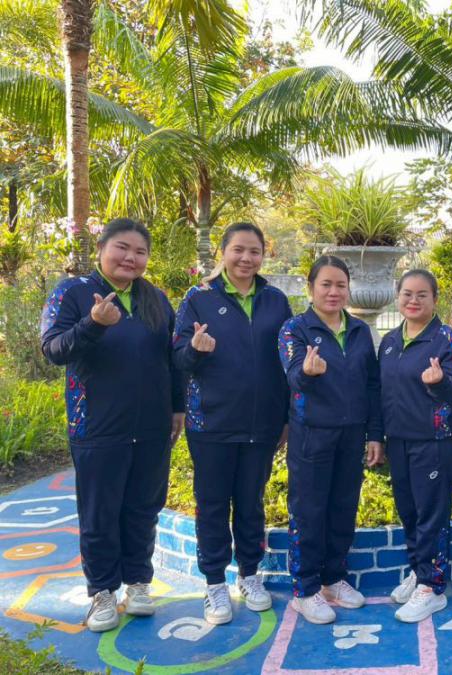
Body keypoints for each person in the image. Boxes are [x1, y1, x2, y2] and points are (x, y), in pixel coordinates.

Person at [40, 218, 183, 632]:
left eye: (140, 252)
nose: (130, 258)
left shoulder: (155, 298)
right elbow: (53, 349)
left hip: (152, 425)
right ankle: (102, 591)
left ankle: (138, 583)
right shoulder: (72, 292)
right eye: (122, 248)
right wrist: (92, 324)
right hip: (96, 424)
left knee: (143, 508)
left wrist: (177, 407)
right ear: (102, 248)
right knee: (100, 512)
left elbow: (171, 359)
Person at [172, 222, 292, 625]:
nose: (246, 258)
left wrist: (286, 417)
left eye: (254, 251)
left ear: (263, 256)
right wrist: (195, 348)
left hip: (262, 424)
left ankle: (249, 575)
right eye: (238, 249)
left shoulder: (275, 300)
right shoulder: (199, 298)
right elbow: (178, 358)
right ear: (222, 252)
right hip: (211, 423)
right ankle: (214, 584)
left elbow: (287, 362)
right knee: (211, 504)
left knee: (250, 502)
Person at [278, 256, 384, 624]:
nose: (333, 292)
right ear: (311, 289)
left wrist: (374, 434)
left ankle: (333, 578)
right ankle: (305, 589)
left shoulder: (359, 330)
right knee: (309, 511)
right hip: (312, 434)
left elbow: (372, 385)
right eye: (326, 284)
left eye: (341, 285)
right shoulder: (295, 329)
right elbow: (293, 376)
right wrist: (307, 373)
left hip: (351, 434)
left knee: (342, 508)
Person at [378, 270, 452, 623]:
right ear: (398, 297)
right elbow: (380, 392)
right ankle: (419, 571)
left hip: (435, 441)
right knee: (410, 512)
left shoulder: (446, 339)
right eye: (407, 294)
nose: (413, 301)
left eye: (422, 295)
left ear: (435, 299)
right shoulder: (389, 341)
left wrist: (439, 381)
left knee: (431, 514)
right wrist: (378, 436)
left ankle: (432, 587)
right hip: (399, 440)